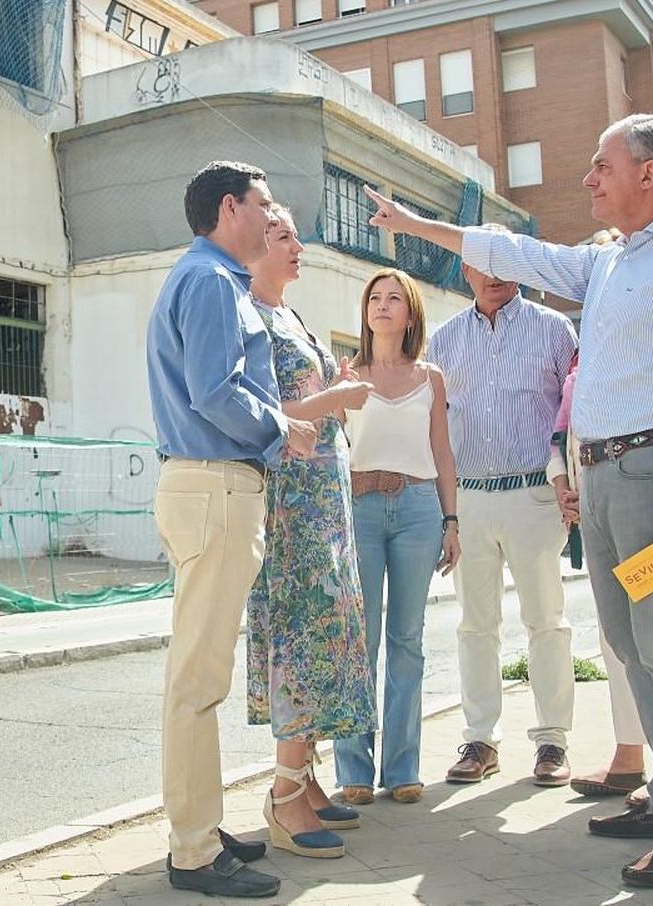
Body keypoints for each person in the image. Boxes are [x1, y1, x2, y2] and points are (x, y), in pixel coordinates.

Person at [362, 113, 653, 890]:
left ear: (650, 172)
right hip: (603, 479)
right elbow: (519, 252)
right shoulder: (606, 265)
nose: (588, 179)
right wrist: (412, 225)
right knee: (631, 645)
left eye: (602, 165)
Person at [147, 161, 318, 899]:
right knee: (197, 682)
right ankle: (191, 853)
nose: (273, 213)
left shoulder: (207, 278)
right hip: (216, 483)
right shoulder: (215, 283)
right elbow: (216, 391)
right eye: (264, 203)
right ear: (229, 209)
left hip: (209, 484)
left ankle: (200, 831)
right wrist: (285, 429)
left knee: (200, 677)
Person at [244, 206, 375, 859]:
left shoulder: (292, 315)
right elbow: (265, 413)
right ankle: (284, 792)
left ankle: (309, 775)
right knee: (304, 634)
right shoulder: (251, 317)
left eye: (297, 234)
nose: (298, 245)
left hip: (328, 501)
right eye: (282, 236)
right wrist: (333, 400)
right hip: (294, 504)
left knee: (330, 629)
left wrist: (339, 385)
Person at [425, 235, 578, 789]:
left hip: (534, 496)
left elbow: (573, 414)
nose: (493, 273)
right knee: (474, 626)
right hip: (468, 499)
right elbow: (431, 426)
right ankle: (480, 740)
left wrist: (572, 484)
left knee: (546, 621)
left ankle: (553, 742)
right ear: (464, 268)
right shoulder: (442, 340)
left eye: (503, 261)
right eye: (482, 263)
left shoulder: (555, 330)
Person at [331, 268, 461, 807]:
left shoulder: (431, 378)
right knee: (360, 639)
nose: (382, 306)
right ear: (365, 312)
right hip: (359, 509)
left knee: (408, 640)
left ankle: (403, 766)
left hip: (418, 510)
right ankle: (354, 771)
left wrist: (452, 521)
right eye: (374, 298)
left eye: (393, 299)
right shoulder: (345, 375)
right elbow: (334, 450)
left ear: (410, 314)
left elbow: (443, 452)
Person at [551, 242, 651, 801]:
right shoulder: (581, 356)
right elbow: (562, 430)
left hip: (646, 502)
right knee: (617, 637)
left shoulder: (646, 343)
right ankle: (630, 753)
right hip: (595, 507)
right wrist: (563, 483)